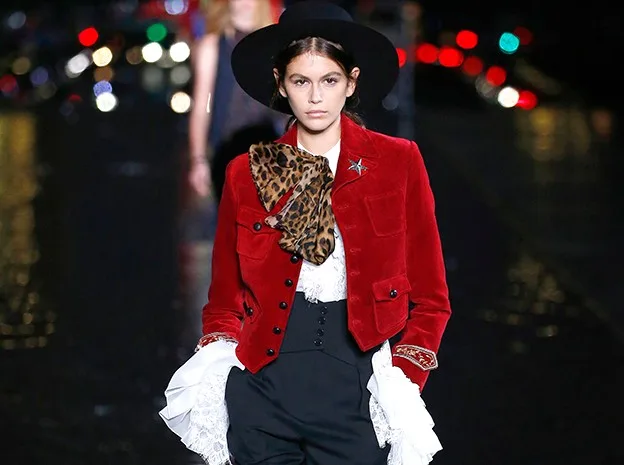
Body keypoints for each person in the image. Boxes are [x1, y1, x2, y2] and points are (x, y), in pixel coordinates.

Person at [160, 3, 451, 464]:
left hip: (357, 398)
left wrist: (404, 376)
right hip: (261, 396)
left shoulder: (397, 163)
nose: (316, 97)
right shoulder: (246, 173)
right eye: (301, 81)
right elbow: (224, 299)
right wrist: (223, 367)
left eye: (329, 80)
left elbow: (432, 297)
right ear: (281, 84)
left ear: (351, 82)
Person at [188, 0, 285, 202]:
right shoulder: (213, 45)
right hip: (227, 151)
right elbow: (201, 107)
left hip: (271, 152)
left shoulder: (275, 45)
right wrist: (198, 159)